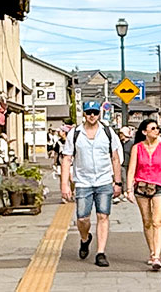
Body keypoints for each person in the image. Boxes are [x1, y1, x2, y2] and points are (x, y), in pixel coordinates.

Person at [58, 108, 124, 267]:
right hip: (83, 182)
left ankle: (100, 252)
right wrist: (65, 184)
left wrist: (118, 182)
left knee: (103, 216)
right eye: (89, 112)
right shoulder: (75, 133)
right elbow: (66, 159)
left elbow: (115, 158)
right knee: (82, 218)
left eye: (95, 112)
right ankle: (85, 238)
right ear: (85, 115)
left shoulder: (107, 132)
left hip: (104, 180)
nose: (92, 115)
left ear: (99, 114)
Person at [122, 118, 161, 272]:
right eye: (153, 128)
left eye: (157, 128)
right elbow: (131, 169)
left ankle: (157, 256)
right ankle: (152, 252)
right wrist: (129, 190)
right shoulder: (137, 148)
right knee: (147, 221)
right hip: (141, 187)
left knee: (157, 221)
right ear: (144, 132)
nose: (156, 130)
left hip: (160, 186)